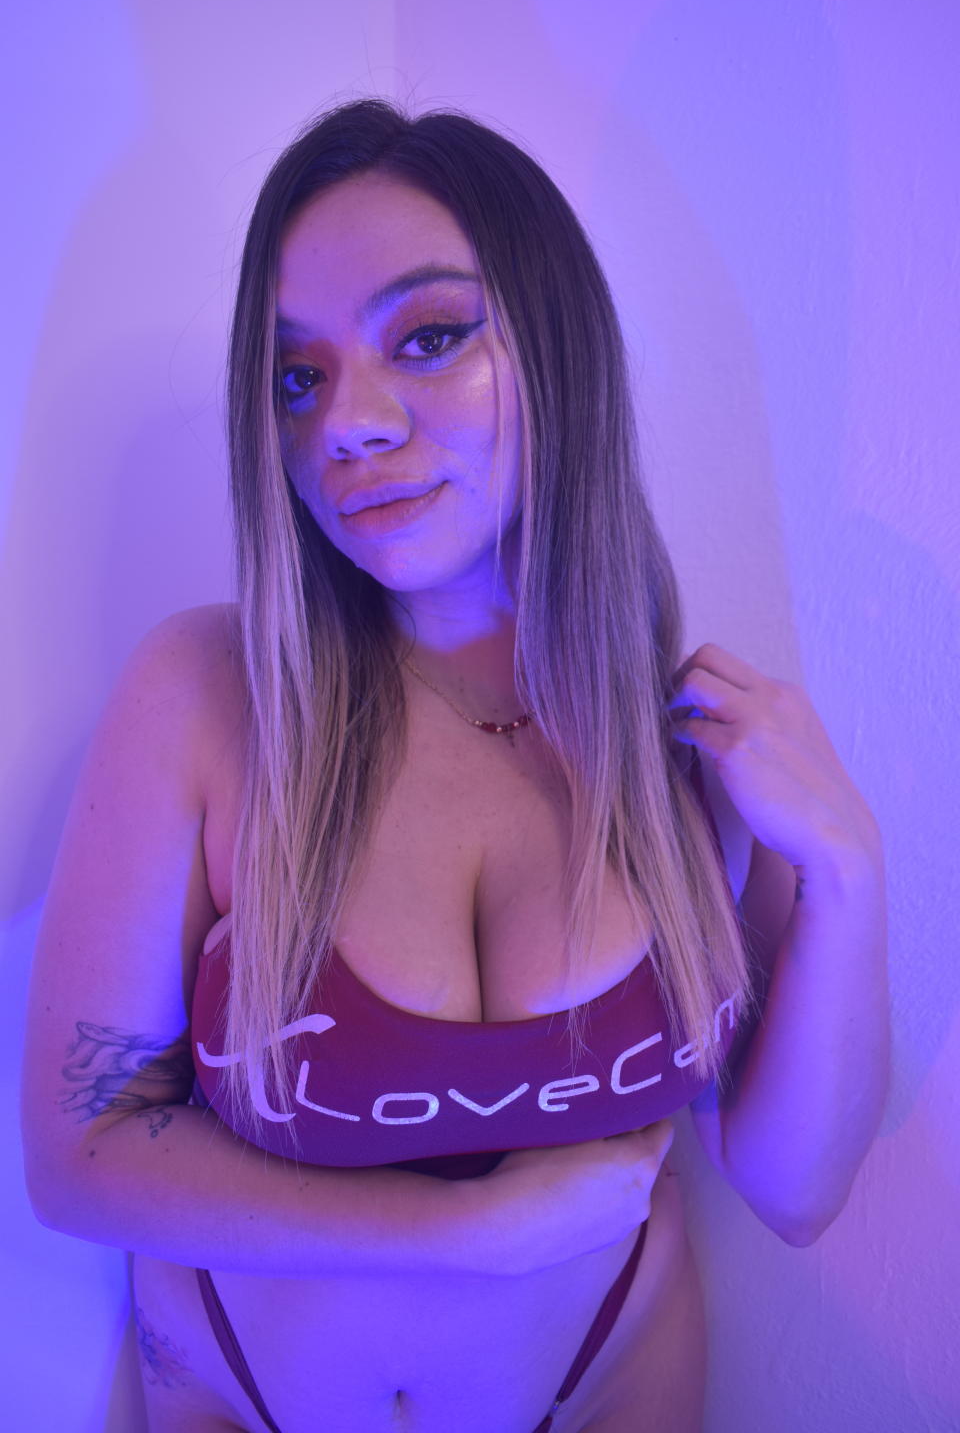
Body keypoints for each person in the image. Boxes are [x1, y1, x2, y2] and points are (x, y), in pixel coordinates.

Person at [22, 97, 832, 1433]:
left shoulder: (676, 738)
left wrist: (846, 868)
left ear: (555, 345)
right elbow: (78, 1161)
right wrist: (465, 1235)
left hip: (609, 1383)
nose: (346, 424)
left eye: (430, 335)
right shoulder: (210, 697)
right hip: (245, 1396)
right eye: (299, 378)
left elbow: (795, 1194)